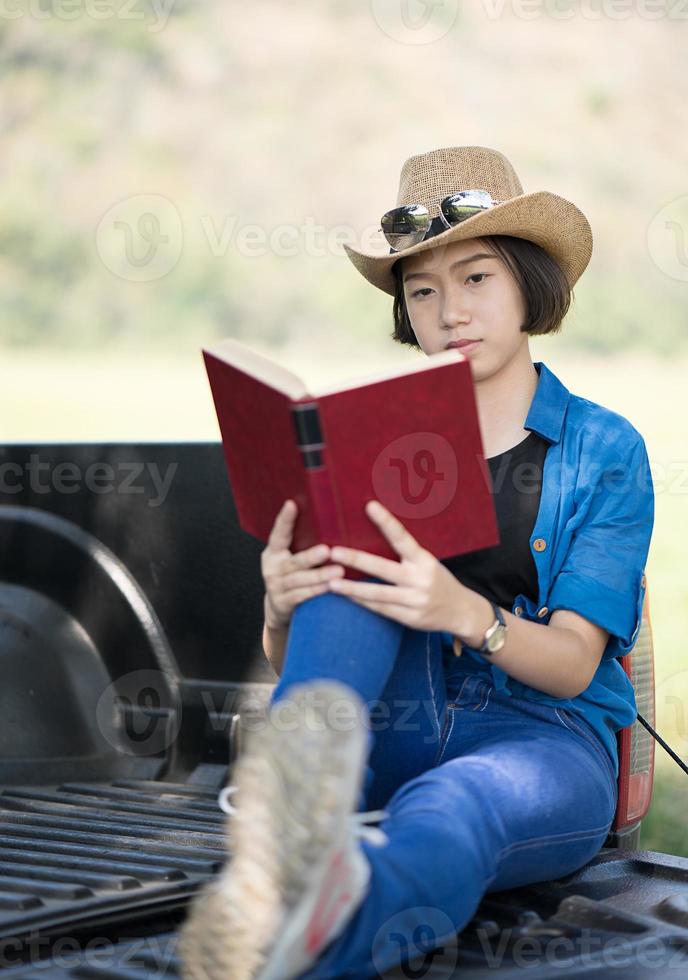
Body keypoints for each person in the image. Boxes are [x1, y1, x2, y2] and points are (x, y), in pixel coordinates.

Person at [178, 146, 655, 980]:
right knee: (348, 561)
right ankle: (290, 807)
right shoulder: (375, 434)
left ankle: (300, 936)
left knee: (452, 808)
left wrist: (462, 612)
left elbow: (577, 666)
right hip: (379, 726)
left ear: (527, 284)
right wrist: (283, 608)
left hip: (538, 741)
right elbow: (301, 656)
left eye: (476, 278)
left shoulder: (604, 448)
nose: (449, 311)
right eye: (423, 289)